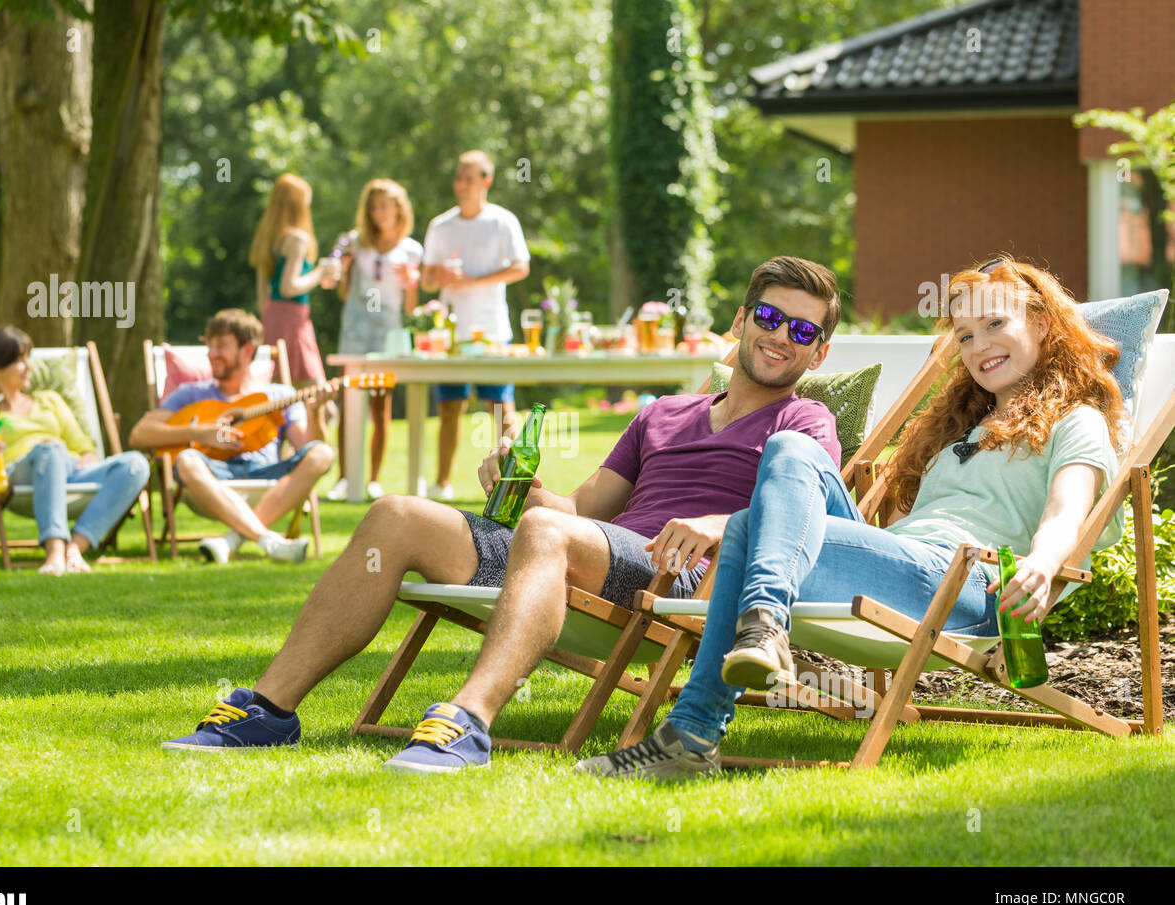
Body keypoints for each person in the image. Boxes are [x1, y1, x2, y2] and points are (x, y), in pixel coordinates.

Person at [161, 256, 843, 771]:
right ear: (741, 320)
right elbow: (578, 509)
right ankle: (267, 710)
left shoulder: (804, 420)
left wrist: (719, 525)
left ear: (819, 351)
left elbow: (803, 514)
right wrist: (525, 483)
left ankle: (467, 721)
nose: (781, 335)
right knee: (395, 513)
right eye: (770, 316)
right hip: (593, 555)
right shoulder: (661, 414)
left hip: (683, 580)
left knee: (547, 532)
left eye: (803, 329)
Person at [576, 256, 1127, 778]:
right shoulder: (961, 430)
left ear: (1044, 324)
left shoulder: (1076, 421)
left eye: (993, 324)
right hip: (907, 570)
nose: (978, 346)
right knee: (790, 447)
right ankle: (754, 640)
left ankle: (698, 726)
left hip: (971, 586)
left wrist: (1043, 563)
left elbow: (1067, 514)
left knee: (746, 527)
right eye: (964, 336)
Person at [128, 309, 336, 564]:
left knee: (323, 453)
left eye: (221, 346)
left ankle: (233, 540)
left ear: (247, 350)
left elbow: (308, 447)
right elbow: (140, 434)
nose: (212, 354)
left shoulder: (279, 394)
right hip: (213, 476)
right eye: (210, 345)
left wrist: (316, 412)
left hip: (267, 475)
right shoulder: (190, 393)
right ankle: (268, 540)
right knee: (187, 460)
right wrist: (199, 433)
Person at [0, 326, 150, 575]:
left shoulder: (49, 400)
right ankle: (54, 551)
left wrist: (88, 456)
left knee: (135, 464)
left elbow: (82, 444)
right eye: (19, 361)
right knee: (52, 449)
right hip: (18, 476)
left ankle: (75, 548)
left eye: (28, 359)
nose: (29, 367)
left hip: (67, 470)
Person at [421, 150, 530, 501]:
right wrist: (441, 274)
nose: (461, 185)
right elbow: (425, 280)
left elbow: (520, 267)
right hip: (450, 335)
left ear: (486, 181)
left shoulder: (503, 221)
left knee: (500, 409)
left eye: (468, 178)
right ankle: (442, 484)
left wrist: (473, 281)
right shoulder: (440, 225)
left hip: (492, 331)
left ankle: (512, 482)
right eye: (458, 177)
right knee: (449, 409)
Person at [323, 178, 423, 502]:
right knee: (349, 403)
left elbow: (410, 307)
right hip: (355, 329)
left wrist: (411, 283)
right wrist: (342, 269)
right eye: (374, 206)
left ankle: (374, 479)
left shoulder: (411, 250)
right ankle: (344, 477)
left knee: (381, 405)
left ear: (399, 210)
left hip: (387, 333)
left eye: (385, 206)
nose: (379, 212)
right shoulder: (353, 242)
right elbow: (341, 289)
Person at [249, 172, 333, 437]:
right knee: (324, 402)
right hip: (293, 322)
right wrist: (321, 272)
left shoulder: (268, 238)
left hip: (272, 320)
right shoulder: (297, 238)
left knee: (278, 402)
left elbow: (263, 296)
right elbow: (288, 287)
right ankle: (306, 458)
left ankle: (288, 455)